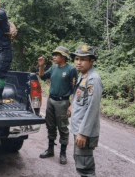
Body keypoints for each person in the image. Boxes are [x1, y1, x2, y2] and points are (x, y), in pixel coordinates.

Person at [37, 46, 78, 164]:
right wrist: (41, 66)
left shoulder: (71, 70)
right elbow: (43, 76)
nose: (54, 57)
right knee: (50, 125)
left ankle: (63, 153)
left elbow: (74, 88)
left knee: (63, 128)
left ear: (63, 56)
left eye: (57, 55)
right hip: (51, 100)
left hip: (63, 102)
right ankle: (50, 150)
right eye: (53, 54)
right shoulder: (53, 68)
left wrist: (72, 105)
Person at [70, 45, 103, 177]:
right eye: (77, 58)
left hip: (84, 131)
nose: (78, 62)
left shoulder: (93, 79)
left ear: (91, 61)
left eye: (83, 59)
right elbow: (80, 99)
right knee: (80, 162)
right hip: (78, 128)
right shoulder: (83, 76)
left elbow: (92, 108)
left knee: (85, 168)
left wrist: (83, 133)